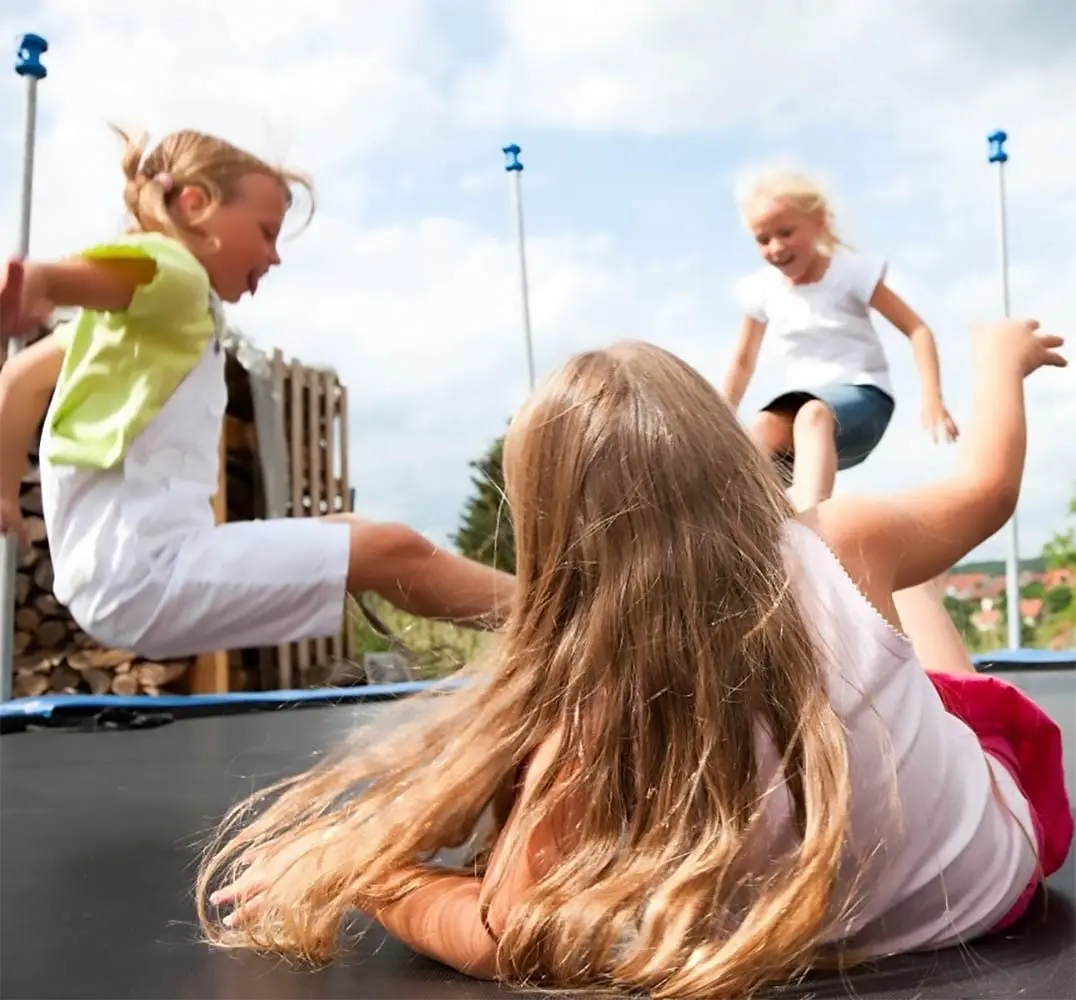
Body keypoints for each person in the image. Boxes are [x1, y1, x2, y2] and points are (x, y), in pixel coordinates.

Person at [195, 319, 1071, 999]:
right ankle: (805, 500)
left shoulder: (587, 720)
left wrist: (373, 875)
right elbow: (987, 488)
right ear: (729, 464)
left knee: (923, 661)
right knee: (896, 617)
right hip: (992, 873)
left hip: (880, 897)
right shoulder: (845, 545)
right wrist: (999, 359)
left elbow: (505, 933)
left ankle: (809, 501)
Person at [0, 127, 513, 660]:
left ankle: (548, 621)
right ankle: (565, 621)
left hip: (119, 577)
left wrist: (4, 494)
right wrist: (45, 278)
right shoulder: (178, 276)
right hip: (149, 576)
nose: (274, 257)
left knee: (356, 530)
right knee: (394, 549)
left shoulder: (114, 331)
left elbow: (17, 380)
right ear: (197, 205)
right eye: (266, 233)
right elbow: (122, 272)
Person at [722, 166, 959, 511]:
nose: (775, 248)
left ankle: (812, 532)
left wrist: (932, 399)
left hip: (864, 398)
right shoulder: (762, 290)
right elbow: (743, 362)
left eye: (786, 232)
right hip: (800, 409)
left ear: (818, 222)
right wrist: (716, 419)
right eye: (763, 239)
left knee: (812, 415)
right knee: (759, 432)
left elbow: (917, 329)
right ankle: (748, 527)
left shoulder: (851, 272)